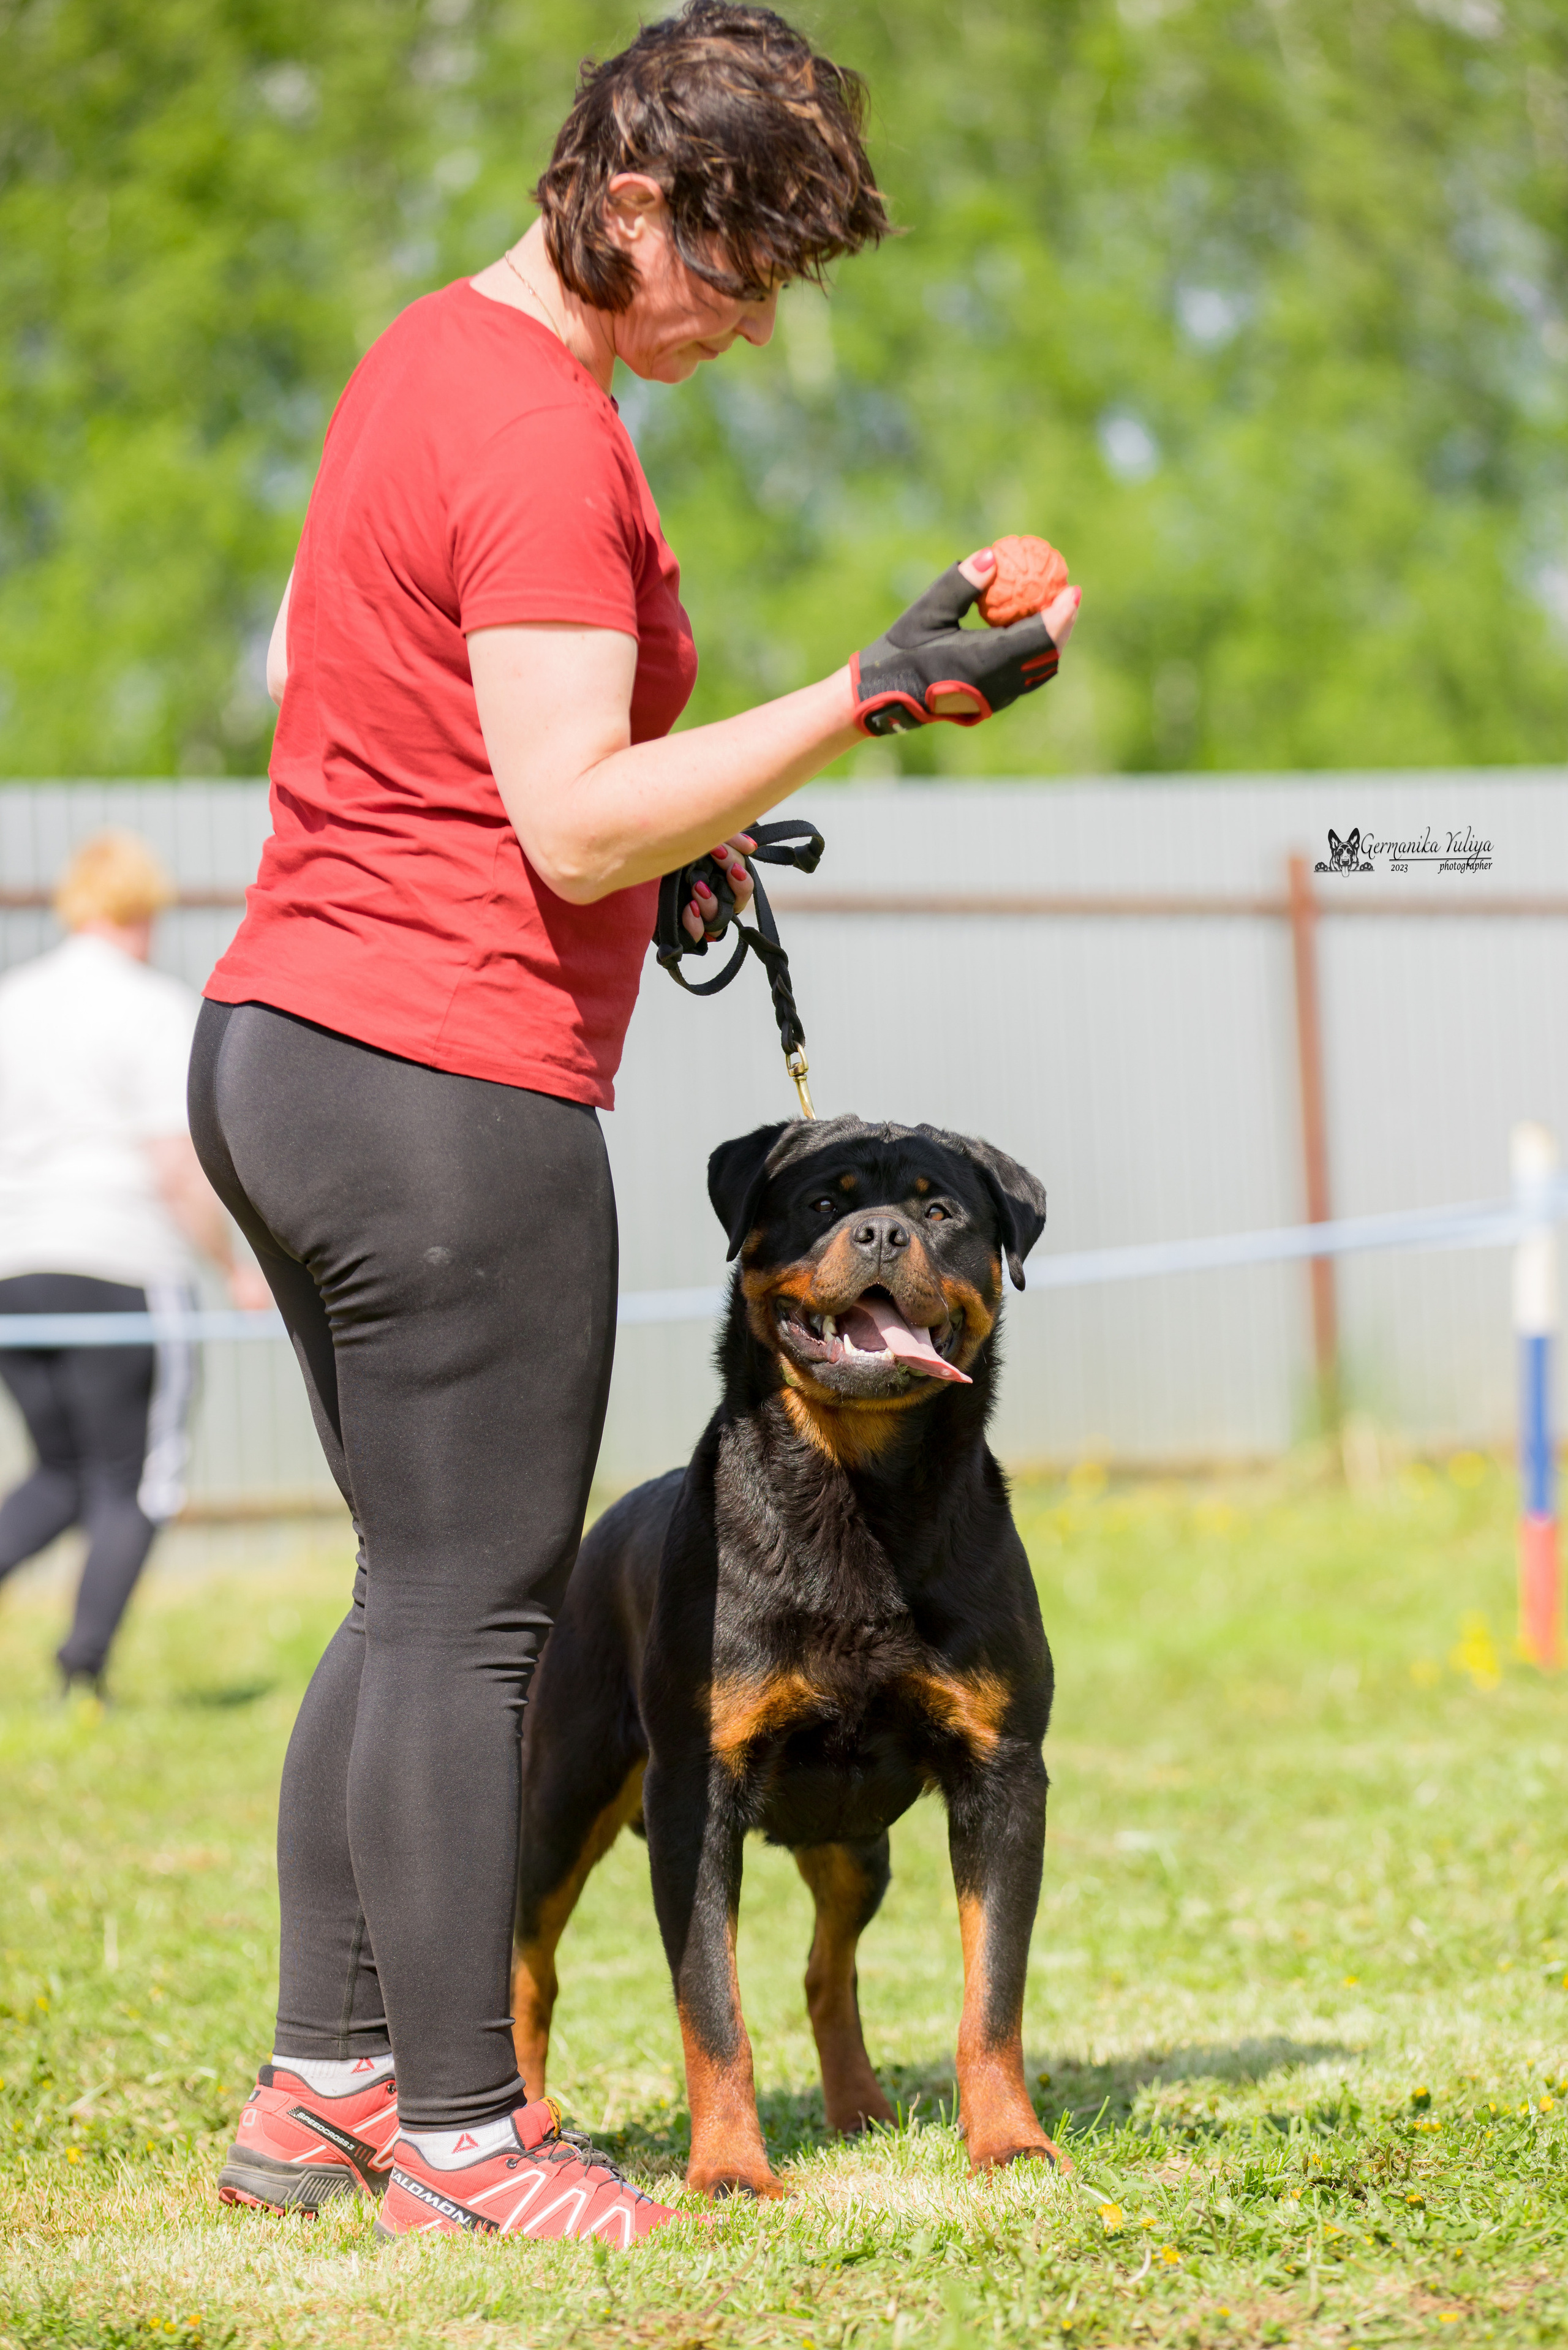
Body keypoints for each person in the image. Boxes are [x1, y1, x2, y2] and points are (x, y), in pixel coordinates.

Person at [196, 0, 1082, 2246]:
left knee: (416, 1594)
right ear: (622, 200)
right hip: (440, 1083)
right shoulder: (539, 430)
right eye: (738, 264)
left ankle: (323, 2087)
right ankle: (470, 2131)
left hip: (295, 1036)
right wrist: (866, 694)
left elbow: (475, 762)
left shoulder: (428, 360)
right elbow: (572, 822)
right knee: (481, 1619)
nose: (755, 320)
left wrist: (682, 827)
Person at [0, 830, 272, 1697]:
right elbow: (173, 1162)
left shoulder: (13, 1002)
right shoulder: (150, 1008)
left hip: (17, 1271)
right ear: (141, 911)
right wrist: (234, 1262)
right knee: (139, 1483)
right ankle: (82, 1672)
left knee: (62, 1473)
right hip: (120, 1265)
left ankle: (77, 1662)